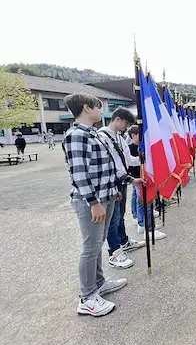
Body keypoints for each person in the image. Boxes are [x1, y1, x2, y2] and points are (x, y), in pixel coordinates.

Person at [62, 93, 128, 317]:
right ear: (86, 108)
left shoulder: (93, 134)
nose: (102, 111)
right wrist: (93, 202)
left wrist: (115, 189)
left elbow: (105, 167)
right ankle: (87, 297)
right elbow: (79, 174)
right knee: (90, 247)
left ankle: (99, 283)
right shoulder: (76, 135)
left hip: (106, 196)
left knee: (98, 243)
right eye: (98, 107)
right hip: (92, 201)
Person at [99, 108, 146, 269]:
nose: (126, 128)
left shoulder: (119, 138)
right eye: (125, 124)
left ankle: (123, 241)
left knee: (120, 215)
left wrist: (143, 158)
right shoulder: (102, 137)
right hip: (113, 182)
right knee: (112, 220)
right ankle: (114, 252)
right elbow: (112, 165)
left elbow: (128, 160)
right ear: (117, 119)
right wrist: (129, 179)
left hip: (123, 180)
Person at [127, 125, 166, 240]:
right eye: (140, 135)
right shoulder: (131, 148)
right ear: (133, 135)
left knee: (141, 202)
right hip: (138, 178)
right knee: (145, 202)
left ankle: (142, 224)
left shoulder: (139, 147)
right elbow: (132, 164)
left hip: (139, 178)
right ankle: (147, 227)